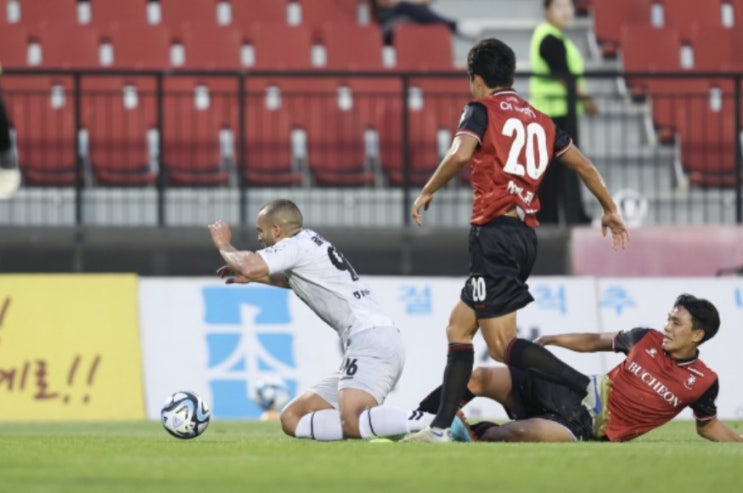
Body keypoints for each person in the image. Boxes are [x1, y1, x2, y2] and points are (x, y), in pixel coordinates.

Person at [401, 38, 629, 442]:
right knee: (458, 326)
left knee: (504, 344)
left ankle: (585, 387)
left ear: (476, 79)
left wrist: (428, 190)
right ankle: (438, 427)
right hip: (523, 235)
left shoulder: (480, 109)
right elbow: (585, 165)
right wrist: (609, 208)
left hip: (494, 235)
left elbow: (458, 154)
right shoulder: (542, 120)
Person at [208, 199, 406, 441]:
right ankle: (388, 427)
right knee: (293, 418)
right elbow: (297, 280)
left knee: (352, 421)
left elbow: (249, 264)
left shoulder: (294, 246)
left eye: (261, 230)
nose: (259, 237)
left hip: (370, 337)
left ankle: (435, 421)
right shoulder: (309, 242)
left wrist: (223, 243)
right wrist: (257, 278)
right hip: (372, 336)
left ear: (277, 230)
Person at [441, 294, 743, 443]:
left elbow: (708, 425)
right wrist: (555, 339)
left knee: (514, 433)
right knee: (480, 377)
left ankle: (472, 434)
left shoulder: (703, 381)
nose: (667, 326)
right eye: (668, 318)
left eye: (676, 323)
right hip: (577, 391)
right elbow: (597, 340)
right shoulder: (645, 338)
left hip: (588, 428)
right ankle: (434, 426)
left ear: (697, 335)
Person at [529, 0, 598, 225]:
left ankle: (563, 217)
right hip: (553, 115)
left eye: (568, 6)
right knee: (556, 172)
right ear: (546, 11)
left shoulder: (557, 37)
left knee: (560, 171)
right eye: (559, 6)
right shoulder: (548, 37)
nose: (566, 11)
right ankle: (557, 219)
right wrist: (586, 99)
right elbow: (563, 74)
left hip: (559, 114)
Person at [371, 0, 481, 45]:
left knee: (420, 13)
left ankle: (455, 27)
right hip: (381, 28)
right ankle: (454, 27)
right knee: (408, 8)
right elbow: (386, 3)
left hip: (403, 19)